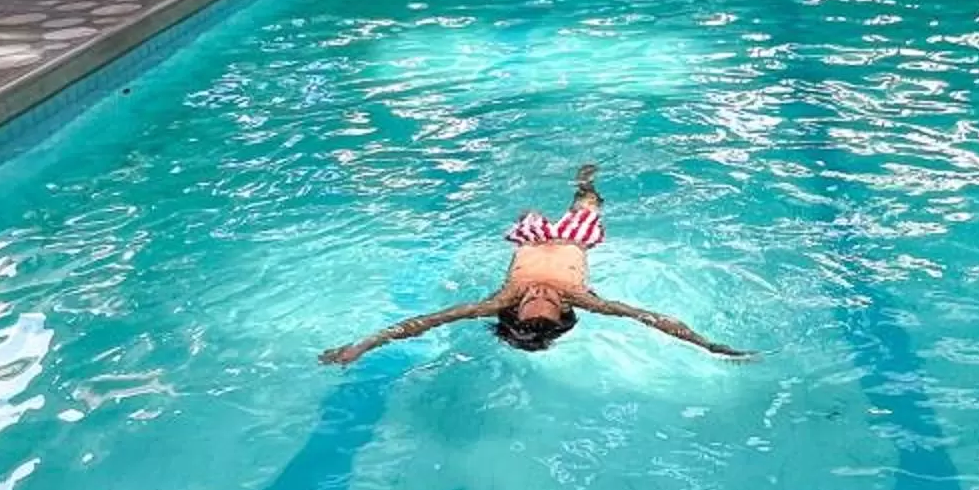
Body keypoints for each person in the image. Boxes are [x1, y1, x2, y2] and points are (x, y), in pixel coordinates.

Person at [320, 165, 753, 363]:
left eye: (532, 298)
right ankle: (584, 185)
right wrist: (707, 345)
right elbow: (651, 319)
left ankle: (567, 185)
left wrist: (360, 346)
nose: (539, 292)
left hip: (533, 237)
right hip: (573, 240)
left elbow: (424, 322)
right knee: (587, 206)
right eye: (546, 297)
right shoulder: (579, 296)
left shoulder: (499, 300)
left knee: (527, 209)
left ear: (514, 308)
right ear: (564, 309)